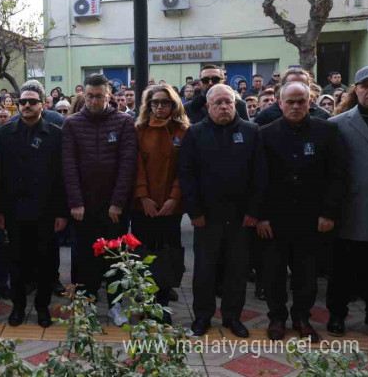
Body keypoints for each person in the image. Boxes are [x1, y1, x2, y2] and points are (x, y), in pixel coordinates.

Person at [257, 81, 345, 342]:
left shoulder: (327, 131)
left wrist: (329, 213)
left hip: (312, 218)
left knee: (306, 273)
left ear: (310, 103)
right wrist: (261, 215)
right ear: (280, 103)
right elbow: (258, 179)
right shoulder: (264, 133)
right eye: (290, 102)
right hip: (275, 218)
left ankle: (302, 317)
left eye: (301, 101)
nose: (296, 106)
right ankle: (276, 317)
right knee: (273, 272)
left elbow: (337, 175)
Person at [178, 84, 267, 338]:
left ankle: (232, 317)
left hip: (241, 217)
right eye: (217, 103)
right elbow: (186, 175)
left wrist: (253, 211)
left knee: (236, 270)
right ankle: (203, 317)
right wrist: (194, 212)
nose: (224, 107)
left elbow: (260, 175)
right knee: (205, 270)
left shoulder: (251, 131)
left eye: (228, 102)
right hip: (207, 217)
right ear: (208, 107)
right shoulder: (194, 133)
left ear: (235, 104)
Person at [62, 74, 137, 326]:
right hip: (82, 206)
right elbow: (68, 165)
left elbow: (128, 164)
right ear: (84, 95)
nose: (94, 100)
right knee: (83, 257)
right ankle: (86, 303)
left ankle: (116, 305)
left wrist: (118, 202)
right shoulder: (72, 123)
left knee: (116, 256)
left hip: (114, 206)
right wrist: (75, 202)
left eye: (99, 96)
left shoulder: (124, 122)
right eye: (90, 96)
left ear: (109, 96)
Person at [326, 66, 368, 337]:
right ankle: (337, 315)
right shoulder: (338, 124)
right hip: (351, 211)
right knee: (343, 269)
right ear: (356, 89)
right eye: (366, 86)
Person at [0, 82, 66, 328]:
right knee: (16, 262)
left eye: (32, 101)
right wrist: (0, 211)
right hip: (15, 212)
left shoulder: (56, 134)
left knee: (46, 263)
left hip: (46, 212)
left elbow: (61, 178)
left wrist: (61, 212)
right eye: (23, 101)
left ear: (43, 104)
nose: (26, 105)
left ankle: (42, 307)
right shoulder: (4, 133)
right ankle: (17, 307)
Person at [132, 84, 189, 324]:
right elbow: (135, 166)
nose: (159, 107)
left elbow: (185, 169)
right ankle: (145, 302)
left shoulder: (184, 131)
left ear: (173, 105)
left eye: (165, 102)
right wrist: (143, 196)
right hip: (143, 205)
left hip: (171, 205)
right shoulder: (139, 130)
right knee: (144, 254)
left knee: (167, 255)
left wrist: (174, 198)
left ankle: (163, 306)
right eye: (155, 102)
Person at [254, 70, 331, 126]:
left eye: (302, 85)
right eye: (292, 84)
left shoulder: (322, 115)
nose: (296, 88)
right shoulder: (265, 116)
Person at [184, 65, 250, 123]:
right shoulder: (188, 108)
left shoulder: (239, 105)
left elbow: (247, 131)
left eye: (215, 79)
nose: (210, 83)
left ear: (223, 81)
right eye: (205, 80)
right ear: (200, 83)